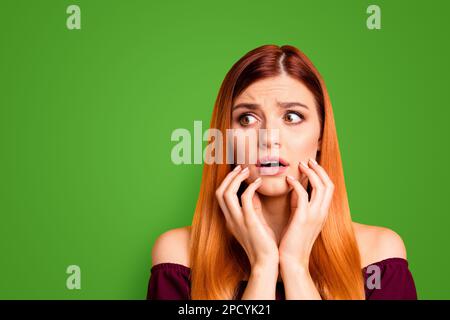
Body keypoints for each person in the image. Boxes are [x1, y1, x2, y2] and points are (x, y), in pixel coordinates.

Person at [147, 44, 417, 300]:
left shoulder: (378, 255)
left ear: (321, 135)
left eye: (292, 117)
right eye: (247, 119)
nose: (268, 138)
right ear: (226, 137)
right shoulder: (179, 255)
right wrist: (263, 267)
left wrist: (295, 264)